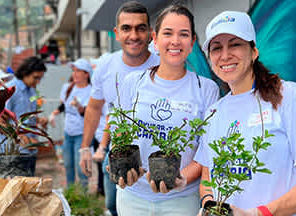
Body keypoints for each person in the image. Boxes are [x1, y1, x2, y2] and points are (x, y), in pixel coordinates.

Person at [195, 11, 296, 216]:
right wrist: (209, 204)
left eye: (235, 44)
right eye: (216, 48)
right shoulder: (214, 112)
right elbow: (208, 176)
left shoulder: (290, 97)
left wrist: (259, 214)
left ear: (254, 51)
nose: (225, 55)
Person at [114, 5, 220, 216]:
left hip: (181, 200)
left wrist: (181, 179)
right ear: (155, 38)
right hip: (133, 198)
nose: (175, 41)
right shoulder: (133, 82)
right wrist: (122, 165)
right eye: (168, 33)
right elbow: (120, 131)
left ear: (192, 42)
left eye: (183, 34)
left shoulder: (206, 89)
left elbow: (206, 151)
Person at [78, 1, 159, 215]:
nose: (134, 35)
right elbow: (95, 108)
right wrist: (85, 147)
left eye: (140, 28)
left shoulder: (163, 65)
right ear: (116, 33)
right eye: (126, 28)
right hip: (119, 150)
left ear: (150, 33)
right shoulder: (106, 66)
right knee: (113, 206)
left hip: (157, 153)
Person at [49, 58, 93, 186]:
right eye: (74, 70)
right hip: (68, 132)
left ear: (87, 74)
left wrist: (79, 106)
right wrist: (53, 114)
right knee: (68, 165)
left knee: (81, 167)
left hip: (82, 133)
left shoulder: (91, 90)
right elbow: (63, 105)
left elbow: (88, 113)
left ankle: (83, 195)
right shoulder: (67, 87)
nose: (75, 73)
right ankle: (71, 192)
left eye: (78, 70)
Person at [6, 56, 48, 174]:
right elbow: (1, 121)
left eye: (40, 78)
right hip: (16, 150)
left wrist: (39, 120)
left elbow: (26, 116)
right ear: (25, 72)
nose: (38, 82)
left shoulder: (32, 90)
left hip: (31, 149)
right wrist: (24, 139)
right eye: (36, 78)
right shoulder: (11, 89)